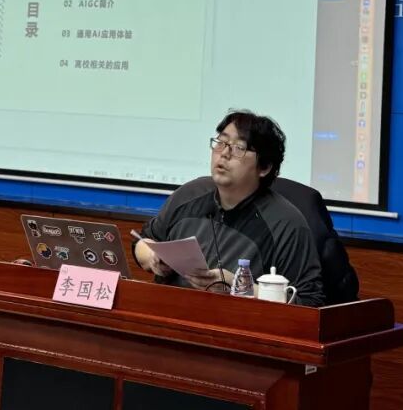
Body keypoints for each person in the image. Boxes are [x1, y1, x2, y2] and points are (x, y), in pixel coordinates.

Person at [134, 110, 325, 306]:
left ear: (265, 167)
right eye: (221, 142)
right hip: (170, 314)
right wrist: (153, 257)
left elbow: (309, 302)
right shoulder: (189, 195)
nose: (224, 153)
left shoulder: (286, 224)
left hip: (238, 322)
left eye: (238, 147)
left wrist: (239, 286)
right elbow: (143, 241)